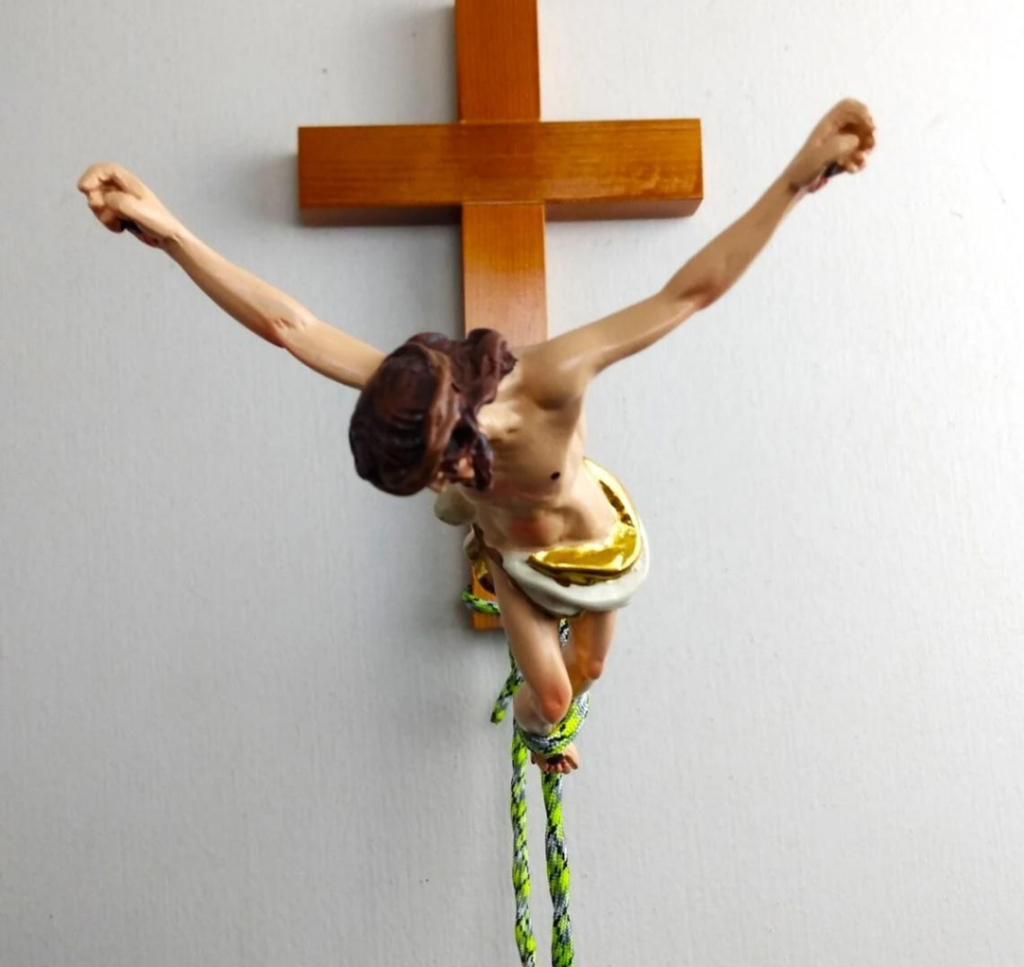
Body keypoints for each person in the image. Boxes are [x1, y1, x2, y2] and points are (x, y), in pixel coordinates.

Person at [79, 99, 875, 774]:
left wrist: (798, 179)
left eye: (440, 469)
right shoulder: (402, 387)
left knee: (590, 668)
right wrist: (172, 234)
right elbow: (288, 325)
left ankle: (550, 717)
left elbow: (688, 293)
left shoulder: (555, 381)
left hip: (596, 547)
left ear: (460, 422)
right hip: (513, 560)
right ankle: (536, 732)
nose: (440, 484)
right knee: (552, 697)